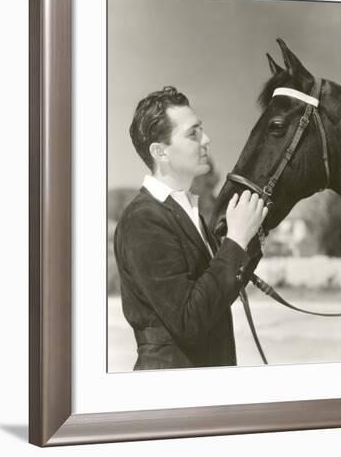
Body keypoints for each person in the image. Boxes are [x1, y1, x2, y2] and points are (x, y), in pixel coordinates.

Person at [114, 86, 267, 370]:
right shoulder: (143, 220)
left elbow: (213, 296)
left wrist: (248, 238)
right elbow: (189, 320)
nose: (206, 140)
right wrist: (235, 240)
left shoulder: (185, 211)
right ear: (160, 152)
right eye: (193, 133)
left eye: (202, 130)